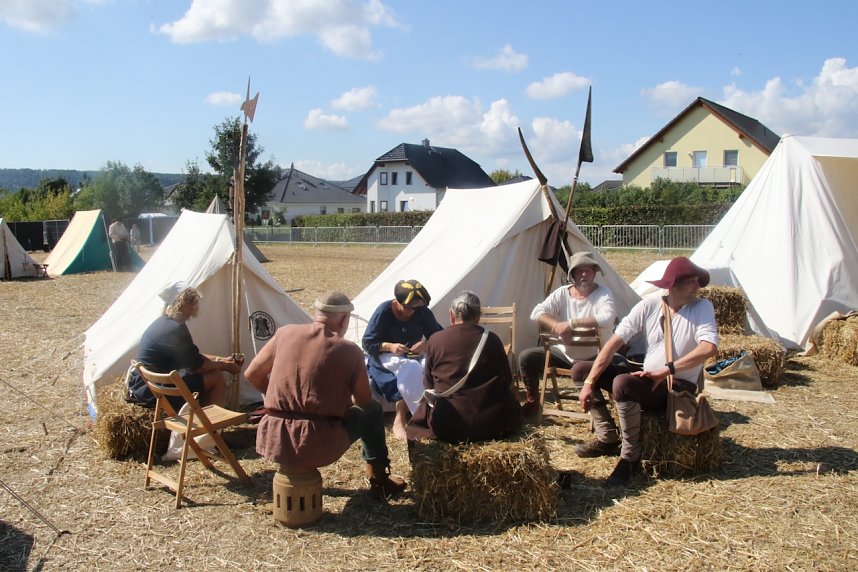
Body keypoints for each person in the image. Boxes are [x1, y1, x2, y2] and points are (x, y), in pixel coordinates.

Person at [245, 291, 406, 501]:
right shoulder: (349, 350)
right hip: (318, 442)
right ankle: (380, 481)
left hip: (274, 437)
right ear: (344, 320)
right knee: (374, 410)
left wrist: (278, 399)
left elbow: (251, 374)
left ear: (317, 313)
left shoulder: (284, 333)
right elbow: (364, 401)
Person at [577, 257, 719, 486]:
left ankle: (629, 458)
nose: (697, 286)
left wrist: (664, 372)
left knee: (623, 383)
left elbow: (708, 348)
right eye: (690, 281)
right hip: (650, 381)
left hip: (677, 387)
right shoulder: (649, 305)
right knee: (582, 369)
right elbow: (614, 343)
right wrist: (588, 383)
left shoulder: (702, 307)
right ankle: (607, 437)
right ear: (672, 285)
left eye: (697, 281)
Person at [407, 291, 523, 443]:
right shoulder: (493, 339)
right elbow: (506, 380)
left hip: (449, 425)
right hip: (493, 423)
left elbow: (428, 385)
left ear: (452, 315)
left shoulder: (436, 340)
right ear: (478, 315)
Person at [518, 251, 619, 416]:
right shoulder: (562, 293)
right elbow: (536, 312)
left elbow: (607, 318)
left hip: (594, 356)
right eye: (580, 270)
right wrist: (557, 325)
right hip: (565, 354)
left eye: (589, 270)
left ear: (595, 273)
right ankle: (533, 403)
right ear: (572, 274)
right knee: (526, 357)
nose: (585, 274)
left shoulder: (603, 293)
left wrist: (570, 325)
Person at [127, 282, 242, 411]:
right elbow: (199, 367)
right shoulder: (175, 328)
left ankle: (202, 421)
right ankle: (211, 427)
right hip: (154, 393)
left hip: (146, 386)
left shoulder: (163, 323)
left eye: (195, 298)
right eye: (188, 299)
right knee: (217, 378)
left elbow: (192, 357)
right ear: (176, 303)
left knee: (208, 373)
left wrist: (220, 359)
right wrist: (226, 366)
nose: (194, 302)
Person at [362, 279, 443, 440]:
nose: (412, 312)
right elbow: (368, 342)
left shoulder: (421, 312)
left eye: (416, 308)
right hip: (385, 356)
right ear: (398, 302)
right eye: (408, 308)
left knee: (428, 365)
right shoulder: (384, 312)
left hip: (413, 355)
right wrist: (390, 347)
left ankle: (435, 415)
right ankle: (414, 419)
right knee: (410, 369)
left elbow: (439, 335)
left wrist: (426, 343)